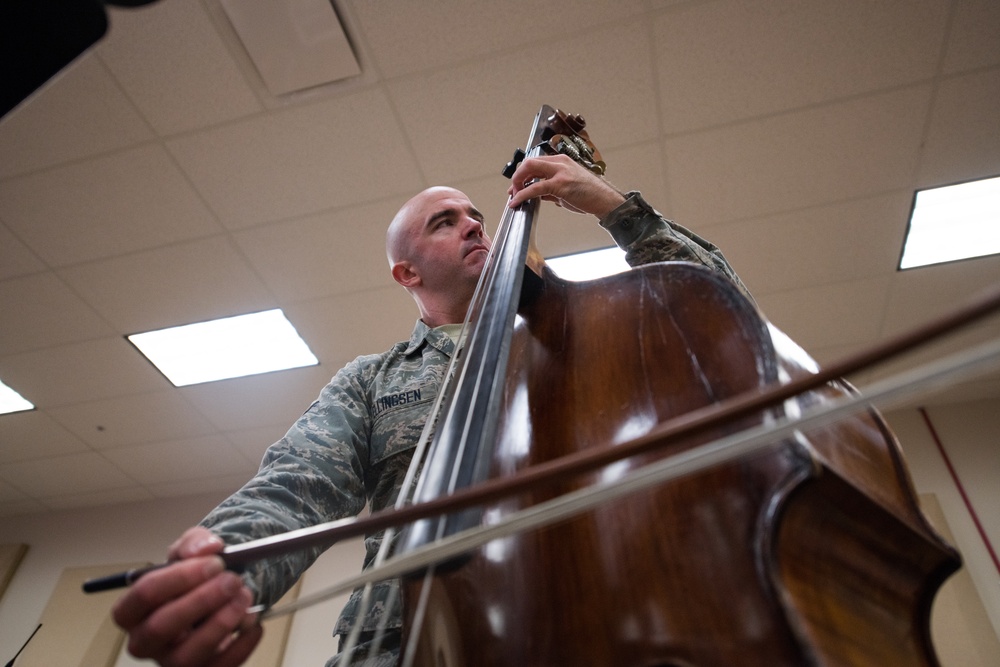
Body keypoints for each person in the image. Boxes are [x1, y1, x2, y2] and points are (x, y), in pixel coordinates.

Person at [111, 154, 751, 667]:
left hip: (587, 626)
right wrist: (227, 572)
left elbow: (722, 314)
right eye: (443, 222)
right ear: (406, 273)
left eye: (476, 214)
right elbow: (293, 492)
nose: (475, 224)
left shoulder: (586, 336)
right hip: (401, 644)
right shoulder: (370, 381)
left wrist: (614, 207)